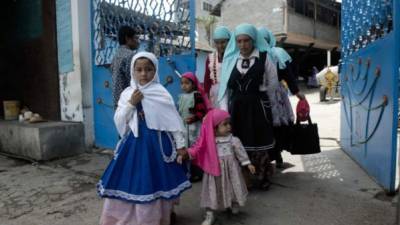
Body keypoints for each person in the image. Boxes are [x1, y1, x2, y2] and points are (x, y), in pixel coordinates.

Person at [97, 52, 191, 225]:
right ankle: (131, 219)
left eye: (148, 69)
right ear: (133, 71)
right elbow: (119, 120)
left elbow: (174, 122)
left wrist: (181, 145)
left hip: (159, 146)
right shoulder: (127, 94)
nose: (143, 74)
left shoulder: (161, 93)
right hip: (134, 145)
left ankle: (161, 216)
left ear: (155, 71)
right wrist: (132, 104)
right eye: (139, 69)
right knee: (134, 181)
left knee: (158, 182)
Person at [217, 23, 280, 190]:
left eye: (246, 41)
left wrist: (262, 93)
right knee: (239, 142)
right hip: (237, 107)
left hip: (258, 106)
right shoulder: (230, 60)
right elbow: (224, 88)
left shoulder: (265, 57)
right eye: (239, 41)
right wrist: (224, 112)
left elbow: (273, 83)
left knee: (260, 141)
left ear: (254, 40)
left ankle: (262, 177)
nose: (243, 45)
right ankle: (243, 179)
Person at [179, 109, 255, 225]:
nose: (229, 126)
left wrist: (247, 163)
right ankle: (210, 213)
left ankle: (233, 203)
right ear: (214, 128)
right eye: (224, 124)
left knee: (232, 186)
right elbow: (197, 148)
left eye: (229, 123)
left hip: (231, 171)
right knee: (212, 191)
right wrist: (186, 154)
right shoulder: (209, 141)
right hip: (214, 172)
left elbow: (241, 152)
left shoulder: (233, 140)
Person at [259, 27, 305, 168]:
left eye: (264, 40)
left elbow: (288, 75)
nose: (263, 42)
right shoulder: (261, 54)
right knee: (269, 125)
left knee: (276, 125)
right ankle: (272, 154)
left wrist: (296, 91)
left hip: (275, 95)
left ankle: (276, 154)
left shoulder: (274, 53)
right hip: (264, 94)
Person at [178, 72, 210, 182]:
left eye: (187, 83)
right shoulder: (181, 97)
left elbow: (201, 112)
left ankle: (197, 173)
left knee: (195, 149)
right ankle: (186, 172)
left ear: (193, 84)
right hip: (184, 127)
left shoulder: (196, 95)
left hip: (194, 128)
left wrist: (193, 119)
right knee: (185, 148)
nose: (184, 86)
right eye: (182, 83)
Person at [111, 25, 140, 108]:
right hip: (129, 101)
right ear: (127, 38)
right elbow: (134, 81)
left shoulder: (115, 56)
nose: (138, 41)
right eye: (136, 38)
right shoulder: (130, 56)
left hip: (118, 101)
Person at [203, 26, 231, 110]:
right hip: (216, 95)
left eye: (223, 42)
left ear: (229, 42)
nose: (220, 45)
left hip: (231, 94)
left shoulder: (234, 57)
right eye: (217, 42)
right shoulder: (210, 58)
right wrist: (207, 97)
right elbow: (207, 80)